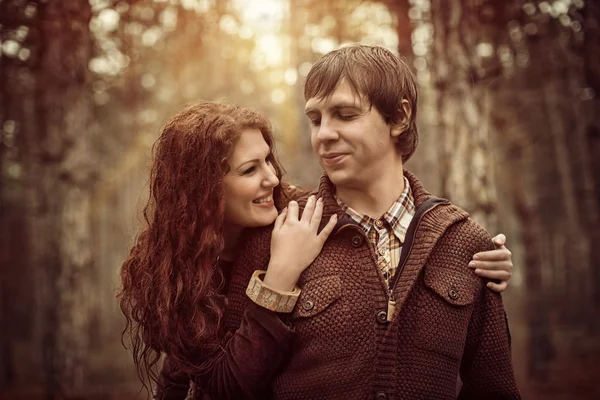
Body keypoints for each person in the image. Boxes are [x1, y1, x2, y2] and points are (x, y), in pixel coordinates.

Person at [118, 100, 514, 399]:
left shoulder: (295, 215)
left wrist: (474, 252)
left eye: (268, 161)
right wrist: (279, 277)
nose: (272, 178)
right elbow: (205, 379)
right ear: (202, 190)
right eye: (249, 170)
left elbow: (375, 228)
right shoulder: (173, 268)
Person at [204, 45, 521, 399]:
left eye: (345, 114)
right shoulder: (277, 237)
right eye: (315, 119)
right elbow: (222, 388)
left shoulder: (465, 244)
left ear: (399, 117)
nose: (324, 134)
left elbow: (496, 389)